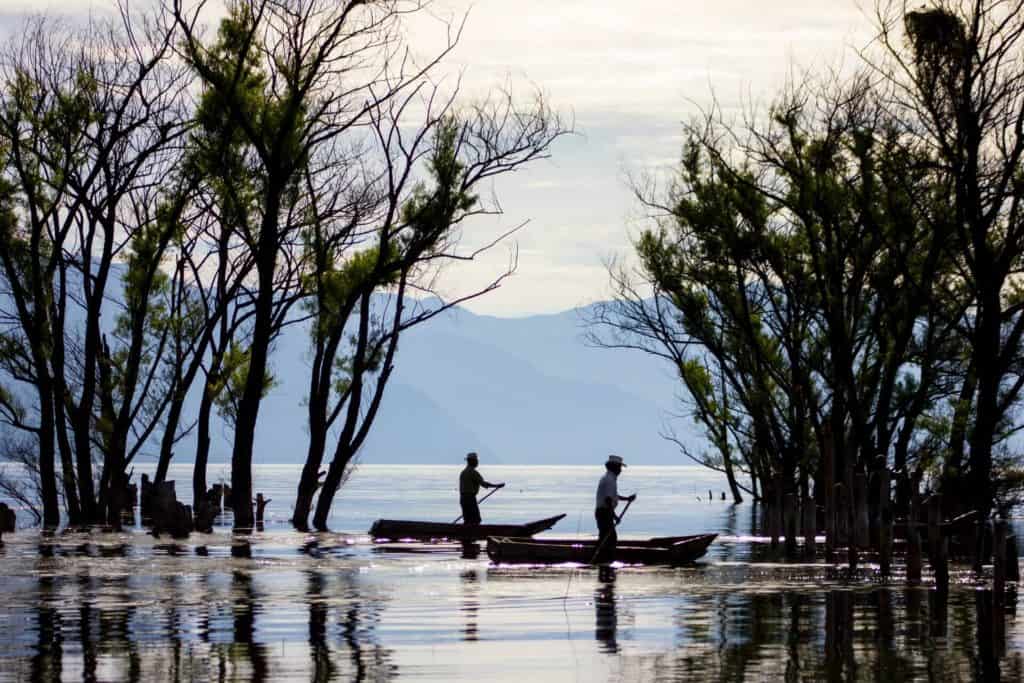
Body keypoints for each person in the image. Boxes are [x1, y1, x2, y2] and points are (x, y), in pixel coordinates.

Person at [594, 455, 636, 563]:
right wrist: (614, 516)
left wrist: (627, 499)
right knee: (610, 538)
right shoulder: (609, 480)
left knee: (606, 537)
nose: (620, 470)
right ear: (614, 467)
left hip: (604, 512)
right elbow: (608, 500)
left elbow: (613, 496)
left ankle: (604, 559)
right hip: (604, 512)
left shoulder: (609, 478)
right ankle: (604, 560)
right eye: (619, 467)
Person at [459, 452, 504, 526]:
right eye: (476, 461)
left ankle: (465, 535)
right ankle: (471, 535)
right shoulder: (473, 472)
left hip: (463, 499)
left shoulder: (463, 472)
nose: (477, 462)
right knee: (476, 520)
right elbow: (484, 484)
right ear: (472, 461)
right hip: (470, 499)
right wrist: (497, 486)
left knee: (467, 520)